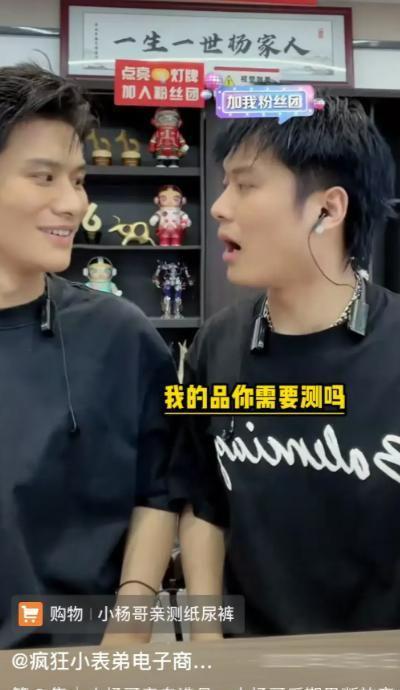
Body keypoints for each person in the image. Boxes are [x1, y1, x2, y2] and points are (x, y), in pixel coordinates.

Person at [172, 96, 400, 636]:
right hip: (255, 665)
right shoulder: (218, 344)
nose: (219, 207)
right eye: (225, 184)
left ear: (328, 209)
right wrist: (208, 641)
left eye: (246, 185)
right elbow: (204, 504)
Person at [0, 64, 179, 649]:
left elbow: (158, 490)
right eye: (44, 177)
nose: (72, 203)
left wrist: (130, 624)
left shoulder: (119, 336)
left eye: (77, 180)